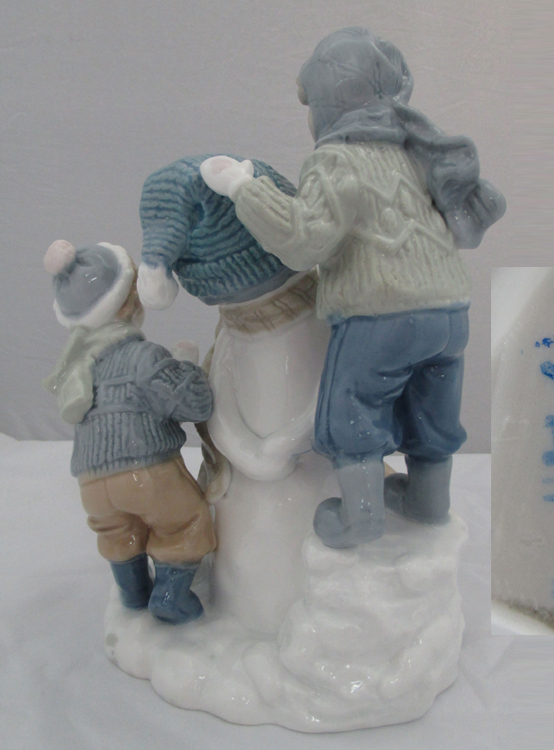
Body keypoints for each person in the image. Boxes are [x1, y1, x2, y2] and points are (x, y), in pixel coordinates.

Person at [201, 27, 505, 548]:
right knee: (432, 410)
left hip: (381, 314)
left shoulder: (336, 160)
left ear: (326, 103)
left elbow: (302, 241)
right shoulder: (414, 153)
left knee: (353, 411)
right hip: (450, 314)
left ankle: (360, 520)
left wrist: (244, 189)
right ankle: (429, 504)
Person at [43, 239, 216, 623]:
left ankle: (134, 595)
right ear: (127, 303)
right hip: (147, 472)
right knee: (185, 522)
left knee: (117, 534)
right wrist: (186, 365)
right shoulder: (142, 357)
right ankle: (169, 598)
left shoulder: (79, 369)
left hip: (91, 483)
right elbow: (196, 405)